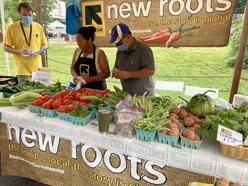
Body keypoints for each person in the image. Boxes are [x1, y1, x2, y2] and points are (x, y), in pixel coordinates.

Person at [3, 2, 48, 83]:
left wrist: (42, 49)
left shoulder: (38, 26)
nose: (27, 17)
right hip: (22, 70)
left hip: (38, 69)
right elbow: (5, 47)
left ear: (32, 13)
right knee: (26, 93)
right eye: (24, 15)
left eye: (29, 15)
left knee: (40, 94)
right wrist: (20, 51)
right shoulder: (12, 28)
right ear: (20, 14)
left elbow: (44, 43)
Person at [110, 23, 155, 96]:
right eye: (116, 44)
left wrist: (128, 74)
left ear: (128, 36)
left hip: (144, 96)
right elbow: (117, 67)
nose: (118, 46)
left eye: (119, 43)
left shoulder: (143, 49)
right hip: (127, 95)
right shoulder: (120, 51)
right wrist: (116, 72)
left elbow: (150, 71)